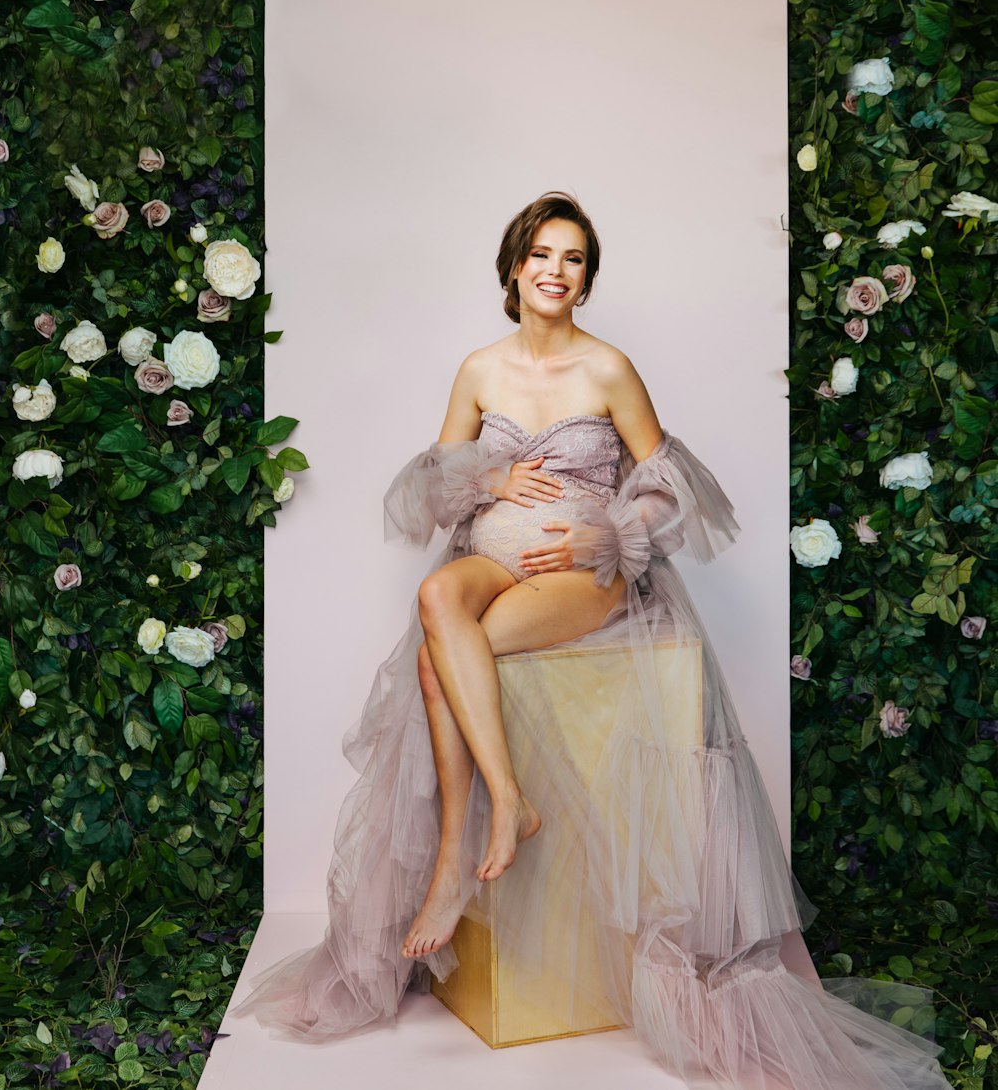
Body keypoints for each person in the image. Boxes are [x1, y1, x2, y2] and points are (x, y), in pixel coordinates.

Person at [231, 192, 952, 1090]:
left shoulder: (609, 369)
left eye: (573, 258)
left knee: (448, 653)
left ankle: (461, 853)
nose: (554, 271)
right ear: (512, 267)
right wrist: (492, 472)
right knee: (435, 597)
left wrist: (605, 534)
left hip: (581, 575)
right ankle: (507, 798)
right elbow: (432, 488)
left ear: (586, 278)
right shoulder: (480, 368)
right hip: (491, 558)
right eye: (541, 253)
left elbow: (670, 487)